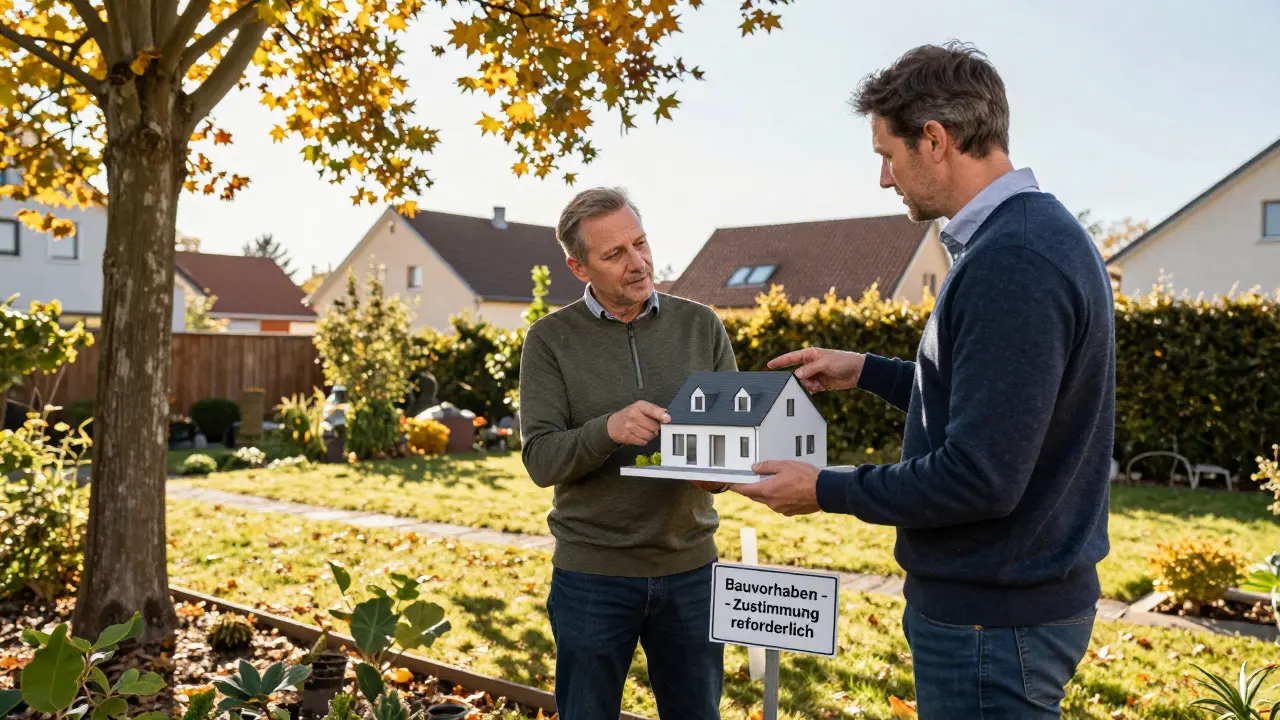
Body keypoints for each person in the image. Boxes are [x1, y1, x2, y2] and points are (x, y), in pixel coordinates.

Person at [733, 42, 1116, 718]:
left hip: (991, 623)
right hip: (1007, 609)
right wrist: (868, 372)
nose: (884, 178)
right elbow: (996, 403)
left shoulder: (1014, 260)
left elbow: (979, 475)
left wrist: (823, 488)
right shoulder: (1030, 234)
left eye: (888, 154)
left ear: (935, 140)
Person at [519, 187, 735, 720]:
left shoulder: (701, 324)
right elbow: (541, 460)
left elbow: (735, 438)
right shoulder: (548, 341)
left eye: (640, 243)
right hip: (592, 577)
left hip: (692, 570)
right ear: (578, 266)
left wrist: (720, 476)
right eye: (615, 254)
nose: (638, 263)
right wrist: (608, 430)